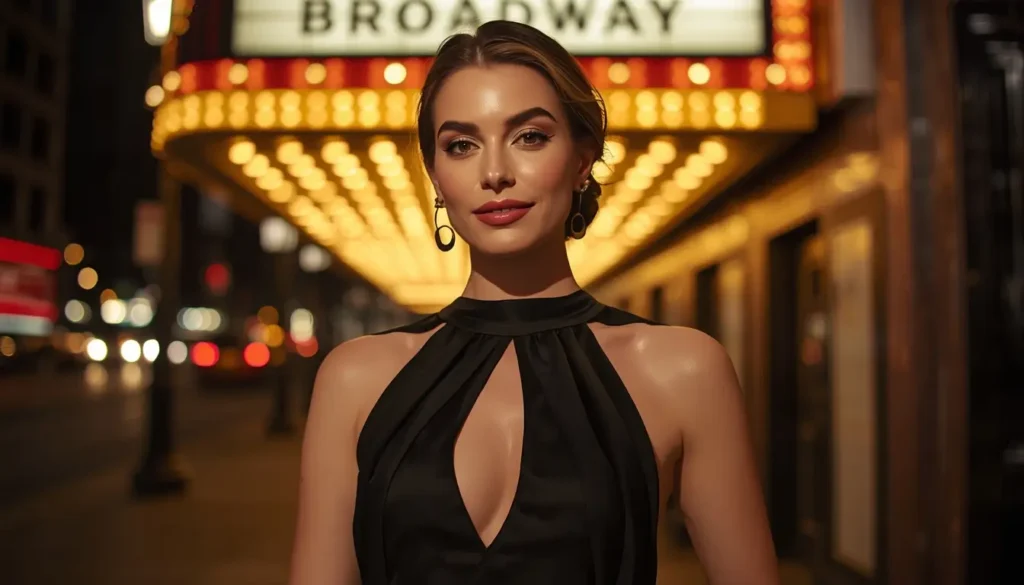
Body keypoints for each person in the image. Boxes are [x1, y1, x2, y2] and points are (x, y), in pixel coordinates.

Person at [289, 20, 778, 585]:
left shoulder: (684, 369)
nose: (494, 172)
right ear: (436, 177)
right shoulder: (355, 378)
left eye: (530, 136)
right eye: (462, 145)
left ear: (581, 159)